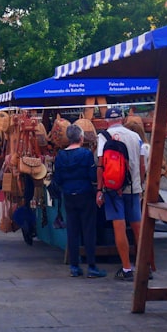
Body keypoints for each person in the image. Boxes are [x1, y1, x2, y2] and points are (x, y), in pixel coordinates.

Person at [96, 107, 145, 281]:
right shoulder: (136, 137)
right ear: (123, 119)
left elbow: (101, 165)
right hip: (134, 188)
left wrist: (99, 190)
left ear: (107, 121)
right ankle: (143, 266)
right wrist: (140, 183)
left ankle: (126, 268)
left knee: (120, 227)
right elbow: (142, 165)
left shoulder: (103, 137)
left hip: (112, 189)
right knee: (138, 227)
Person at [53, 124, 107, 278]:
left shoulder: (60, 156)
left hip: (69, 195)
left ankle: (74, 266)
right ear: (81, 138)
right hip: (85, 193)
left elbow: (58, 178)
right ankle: (91, 266)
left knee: (73, 230)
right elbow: (92, 175)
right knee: (89, 230)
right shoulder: (86, 154)